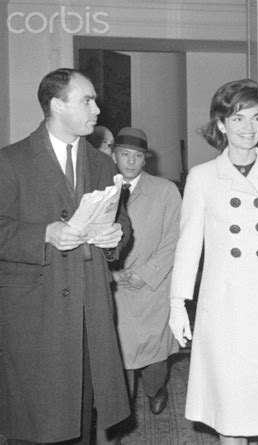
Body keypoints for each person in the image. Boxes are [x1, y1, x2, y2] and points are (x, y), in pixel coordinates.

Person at [168, 79, 258, 444]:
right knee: (230, 409)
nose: (248, 128)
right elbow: (189, 245)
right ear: (221, 124)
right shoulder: (202, 178)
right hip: (224, 306)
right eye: (237, 119)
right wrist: (177, 303)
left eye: (255, 119)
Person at [0, 68, 131, 444]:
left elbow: (121, 220)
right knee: (34, 422)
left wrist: (116, 235)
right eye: (86, 100)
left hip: (89, 311)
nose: (97, 109)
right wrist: (44, 232)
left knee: (83, 420)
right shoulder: (11, 161)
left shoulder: (103, 164)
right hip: (34, 314)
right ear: (57, 105)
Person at [111, 127, 181, 416]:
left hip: (153, 284)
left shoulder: (165, 190)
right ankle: (120, 406)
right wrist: (111, 274)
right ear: (114, 155)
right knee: (120, 351)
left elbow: (175, 239)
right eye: (125, 154)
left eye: (137, 156)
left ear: (145, 159)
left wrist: (147, 273)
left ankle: (156, 387)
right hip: (115, 286)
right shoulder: (100, 189)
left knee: (154, 353)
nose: (130, 162)